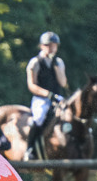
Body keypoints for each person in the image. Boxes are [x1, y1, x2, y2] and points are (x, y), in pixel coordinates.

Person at [25, 31, 68, 159]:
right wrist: (48, 94)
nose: (52, 48)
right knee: (38, 118)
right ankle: (30, 149)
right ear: (42, 46)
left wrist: (56, 67)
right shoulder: (35, 63)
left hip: (58, 98)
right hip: (41, 98)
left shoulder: (59, 62)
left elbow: (63, 82)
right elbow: (31, 85)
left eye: (54, 45)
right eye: (49, 45)